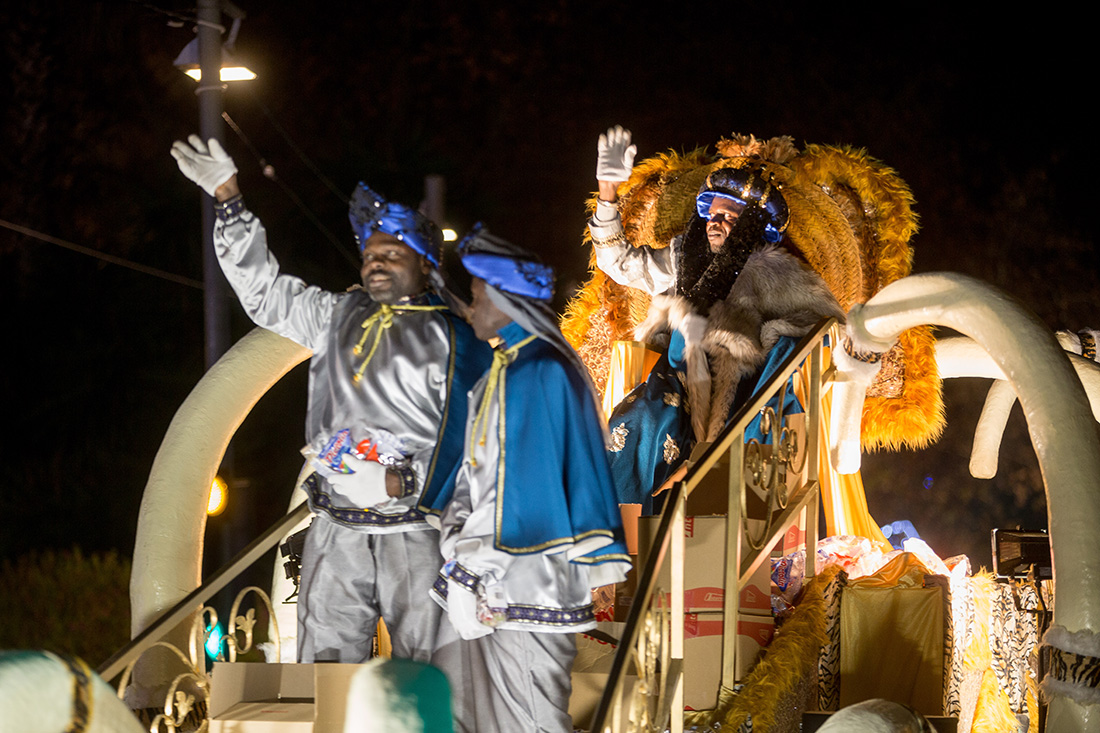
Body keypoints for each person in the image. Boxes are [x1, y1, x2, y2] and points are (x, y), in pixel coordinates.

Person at [170, 136, 491, 664]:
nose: (375, 264)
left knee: (435, 676)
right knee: (325, 670)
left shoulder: (458, 337)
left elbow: (477, 439)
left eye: (391, 254)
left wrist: (399, 480)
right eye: (369, 254)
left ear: (426, 263)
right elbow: (265, 295)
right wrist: (229, 198)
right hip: (336, 527)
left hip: (418, 532)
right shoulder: (339, 316)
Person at [423, 226, 631, 733]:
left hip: (526, 587)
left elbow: (522, 496)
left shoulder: (535, 371)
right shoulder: (511, 364)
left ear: (506, 299)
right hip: (506, 584)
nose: (471, 308)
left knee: (533, 724)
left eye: (476, 296)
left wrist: (471, 572)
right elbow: (478, 477)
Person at [589, 126, 844, 504]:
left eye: (730, 215)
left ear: (753, 224)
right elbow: (619, 262)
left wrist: (767, 339)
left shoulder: (774, 270)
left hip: (742, 389)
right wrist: (607, 190)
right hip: (679, 382)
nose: (716, 221)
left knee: (744, 440)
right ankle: (617, 532)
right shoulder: (683, 258)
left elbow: (828, 324)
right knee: (638, 421)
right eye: (713, 213)